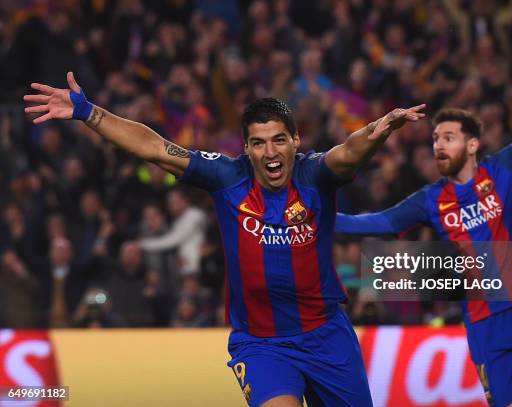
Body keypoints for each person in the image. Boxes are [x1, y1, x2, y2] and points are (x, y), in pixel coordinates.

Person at [24, 75, 426, 406]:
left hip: (327, 337)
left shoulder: (316, 175)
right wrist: (88, 112)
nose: (270, 151)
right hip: (263, 344)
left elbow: (347, 153)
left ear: (295, 142)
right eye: (258, 142)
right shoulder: (226, 177)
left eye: (279, 140)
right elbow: (154, 148)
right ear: (246, 149)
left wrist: (378, 131)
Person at [336, 35, 512, 407]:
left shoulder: (502, 170)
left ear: (472, 145)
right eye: (436, 139)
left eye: (449, 138)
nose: (439, 145)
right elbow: (379, 222)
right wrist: (319, 218)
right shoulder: (429, 200)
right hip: (484, 323)